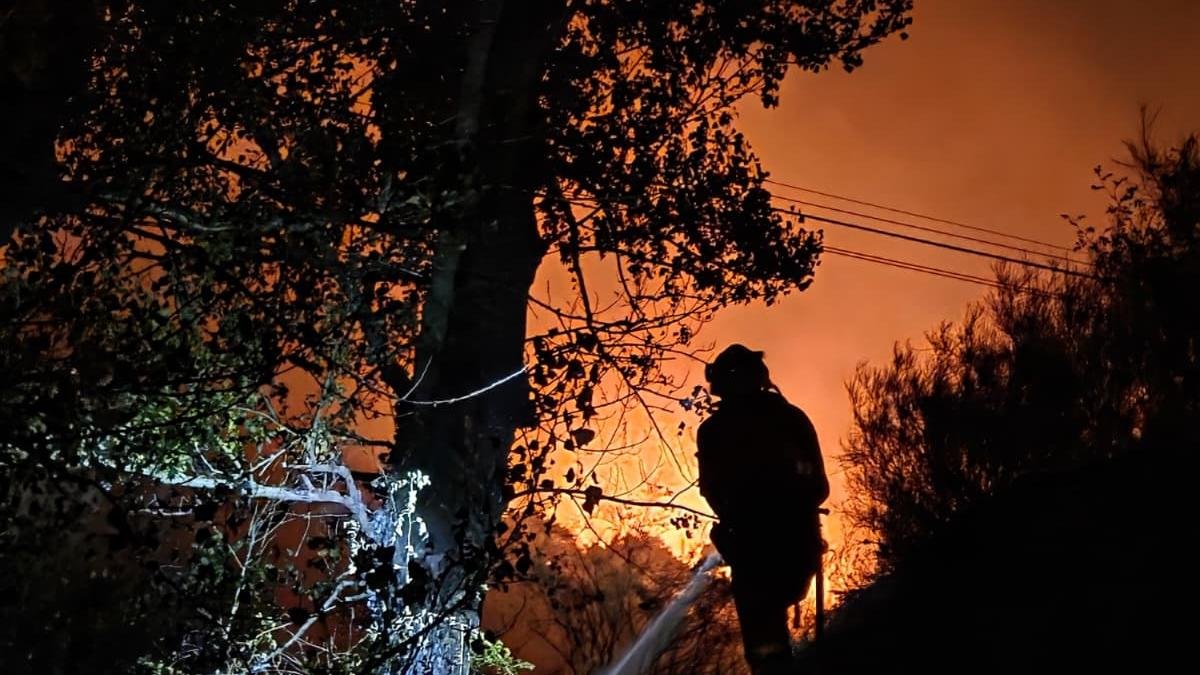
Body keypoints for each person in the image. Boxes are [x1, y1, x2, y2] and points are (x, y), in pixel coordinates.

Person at [696, 344, 829, 673]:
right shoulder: (789, 418)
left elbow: (712, 491)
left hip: (759, 551)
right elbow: (819, 487)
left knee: (766, 649)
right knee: (768, 645)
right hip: (787, 545)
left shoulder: (714, 432)